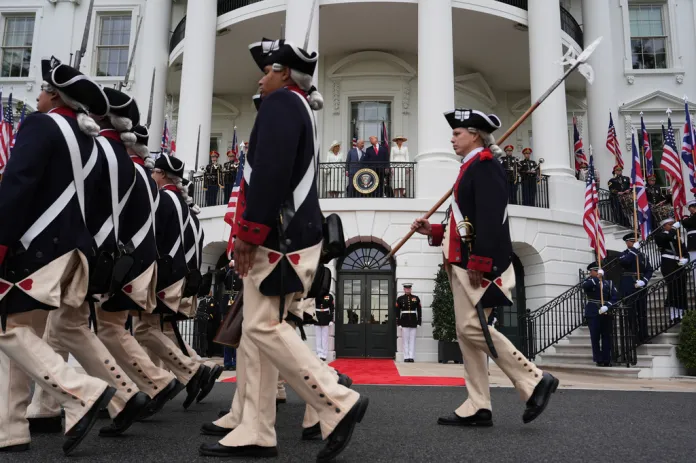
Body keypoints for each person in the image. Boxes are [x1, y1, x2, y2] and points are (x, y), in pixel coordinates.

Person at [199, 37, 367, 461]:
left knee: (261, 329)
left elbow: (270, 175)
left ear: (284, 73)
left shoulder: (281, 105)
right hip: (288, 236)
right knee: (257, 337)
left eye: (268, 69)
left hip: (278, 238)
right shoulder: (296, 107)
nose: (261, 77)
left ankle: (336, 399)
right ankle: (255, 429)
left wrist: (249, 234)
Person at [411, 107, 558, 427]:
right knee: (468, 336)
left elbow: (492, 218)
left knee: (472, 329)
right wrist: (434, 231)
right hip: (463, 262)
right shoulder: (470, 167)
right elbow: (465, 220)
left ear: (475, 135)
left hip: (478, 265)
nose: (452, 139)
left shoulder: (486, 165)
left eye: (457, 133)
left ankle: (534, 379)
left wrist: (481, 260)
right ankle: (478, 404)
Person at [0, 56, 117, 455]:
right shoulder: (93, 143)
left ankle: (81, 392)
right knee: (22, 334)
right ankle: (10, 426)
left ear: (54, 95)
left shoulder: (40, 125)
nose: (37, 96)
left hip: (36, 248)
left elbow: (17, 184)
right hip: (72, 250)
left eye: (43, 90)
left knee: (7, 329)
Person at [27, 87, 158, 439]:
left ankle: (118, 395)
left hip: (75, 248)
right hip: (99, 252)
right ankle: (45, 408)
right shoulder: (121, 157)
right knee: (62, 329)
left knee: (59, 328)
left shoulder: (99, 149)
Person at [132, 153, 206, 410]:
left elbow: (155, 236)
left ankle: (191, 370)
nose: (152, 175)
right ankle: (183, 373)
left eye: (155, 172)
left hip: (165, 275)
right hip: (176, 274)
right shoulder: (179, 202)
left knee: (144, 329)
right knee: (155, 329)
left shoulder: (165, 199)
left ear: (162, 174)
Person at [581, 262, 619, 367]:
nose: (597, 272)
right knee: (595, 337)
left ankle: (607, 359)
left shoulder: (609, 283)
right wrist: (598, 278)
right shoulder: (588, 281)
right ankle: (599, 359)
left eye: (599, 271)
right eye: (595, 271)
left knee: (606, 336)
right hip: (593, 312)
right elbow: (586, 287)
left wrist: (608, 305)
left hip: (606, 312)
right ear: (591, 272)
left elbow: (615, 297)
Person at [618, 233, 653, 343]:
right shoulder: (623, 254)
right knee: (631, 312)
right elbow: (625, 262)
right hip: (628, 285)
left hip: (640, 284)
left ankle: (644, 335)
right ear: (627, 243)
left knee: (642, 311)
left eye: (635, 241)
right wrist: (633, 250)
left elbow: (649, 270)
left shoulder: (643, 256)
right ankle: (634, 336)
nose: (634, 243)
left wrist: (644, 281)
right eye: (632, 241)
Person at [655, 218, 689, 322]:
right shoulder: (660, 235)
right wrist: (674, 229)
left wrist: (686, 259)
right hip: (668, 264)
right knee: (673, 288)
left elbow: (685, 251)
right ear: (664, 226)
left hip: (679, 264)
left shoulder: (677, 237)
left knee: (681, 289)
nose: (672, 226)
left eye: (673, 224)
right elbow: (666, 239)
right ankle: (673, 315)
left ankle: (680, 313)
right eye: (670, 224)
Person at [396, 283, 421, 363]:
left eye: (409, 289)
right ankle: (406, 356)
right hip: (404, 320)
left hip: (413, 320)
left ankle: (411, 356)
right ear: (404, 289)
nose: (408, 290)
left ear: (411, 289)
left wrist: (419, 321)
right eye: (406, 289)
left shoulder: (415, 298)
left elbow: (419, 310)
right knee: (405, 340)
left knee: (412, 340)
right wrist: (399, 323)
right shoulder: (400, 299)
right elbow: (397, 311)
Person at [315, 293, 334, 361]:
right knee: (318, 337)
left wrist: (331, 319)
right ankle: (318, 353)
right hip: (317, 316)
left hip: (325, 317)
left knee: (324, 338)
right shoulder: (316, 294)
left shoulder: (329, 296)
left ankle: (324, 355)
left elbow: (331, 308)